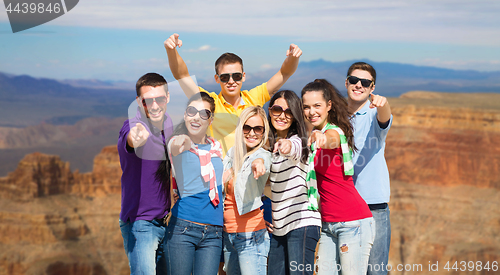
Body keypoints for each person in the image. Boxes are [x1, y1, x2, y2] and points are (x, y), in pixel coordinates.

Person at [164, 33, 302, 154]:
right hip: (219, 176)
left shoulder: (254, 98)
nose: (231, 81)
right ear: (217, 79)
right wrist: (171, 51)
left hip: (249, 176)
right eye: (225, 77)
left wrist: (293, 58)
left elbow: (284, 73)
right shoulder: (210, 103)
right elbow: (182, 75)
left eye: (236, 76)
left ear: (243, 76)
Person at [302, 79, 374, 275]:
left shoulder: (334, 132)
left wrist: (322, 139)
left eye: (317, 106)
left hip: (352, 222)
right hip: (328, 225)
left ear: (329, 106)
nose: (311, 112)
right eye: (306, 107)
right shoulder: (314, 133)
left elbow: (332, 139)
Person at [160, 92, 224, 275]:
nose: (197, 117)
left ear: (210, 120)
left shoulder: (216, 148)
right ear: (185, 114)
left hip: (214, 232)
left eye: (204, 113)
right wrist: (182, 141)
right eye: (191, 111)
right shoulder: (178, 143)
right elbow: (176, 145)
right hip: (183, 228)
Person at [117, 72, 173, 275]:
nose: (155, 105)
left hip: (166, 223)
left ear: (167, 97)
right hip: (141, 224)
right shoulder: (133, 125)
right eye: (148, 101)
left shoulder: (169, 125)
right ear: (139, 102)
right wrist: (136, 137)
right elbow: (131, 138)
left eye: (159, 99)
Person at [266, 90, 322, 275]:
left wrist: (286, 146)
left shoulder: (298, 140)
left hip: (302, 223)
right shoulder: (268, 145)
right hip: (280, 228)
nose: (282, 115)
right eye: (277, 109)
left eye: (289, 112)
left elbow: (294, 148)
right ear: (270, 111)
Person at [345, 62, 392, 275]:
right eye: (354, 80)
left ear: (372, 87)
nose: (358, 85)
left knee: (375, 270)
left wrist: (383, 104)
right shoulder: (336, 118)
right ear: (346, 82)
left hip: (374, 207)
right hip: (344, 207)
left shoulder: (375, 114)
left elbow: (385, 118)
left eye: (365, 82)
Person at [222, 106, 272, 275]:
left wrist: (258, 163)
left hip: (251, 236)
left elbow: (262, 160)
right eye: (246, 127)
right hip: (229, 235)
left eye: (258, 128)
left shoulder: (263, 155)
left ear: (264, 131)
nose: (252, 133)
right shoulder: (231, 154)